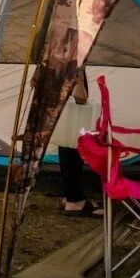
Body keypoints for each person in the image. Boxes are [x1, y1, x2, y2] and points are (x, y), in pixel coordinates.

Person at [51, 70, 100, 217]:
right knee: (72, 149)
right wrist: (79, 81)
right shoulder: (75, 56)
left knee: (66, 146)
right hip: (72, 112)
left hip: (63, 109)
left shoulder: (60, 54)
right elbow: (80, 98)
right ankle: (75, 201)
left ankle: (70, 196)